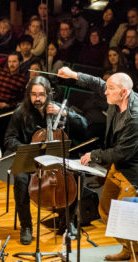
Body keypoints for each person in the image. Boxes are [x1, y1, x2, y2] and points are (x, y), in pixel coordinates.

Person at [58, 66, 138, 261]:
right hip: (117, 168)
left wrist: (94, 155)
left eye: (110, 89)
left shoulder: (135, 119)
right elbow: (97, 83)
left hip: (133, 172)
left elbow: (121, 153)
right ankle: (129, 249)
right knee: (105, 209)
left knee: (127, 218)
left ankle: (135, 252)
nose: (105, 91)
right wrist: (73, 74)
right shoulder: (117, 96)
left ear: (124, 92)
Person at [4, 76, 88, 245]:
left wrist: (64, 113)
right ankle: (26, 226)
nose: (37, 98)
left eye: (41, 94)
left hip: (56, 158)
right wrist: (28, 148)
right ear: (29, 95)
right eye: (34, 94)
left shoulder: (57, 109)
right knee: (20, 179)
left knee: (79, 175)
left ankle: (68, 221)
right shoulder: (21, 112)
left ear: (49, 94)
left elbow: (84, 125)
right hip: (30, 158)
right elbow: (9, 139)